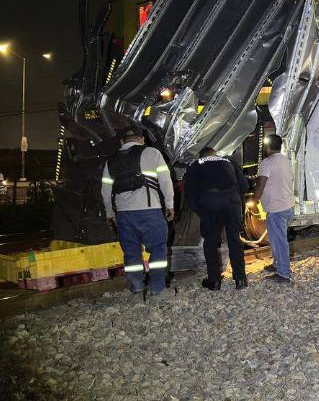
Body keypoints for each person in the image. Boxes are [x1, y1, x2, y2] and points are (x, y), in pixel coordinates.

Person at [101, 125, 174, 299]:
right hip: (151, 211)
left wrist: (110, 214)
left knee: (131, 252)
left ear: (121, 142)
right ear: (142, 139)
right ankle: (158, 289)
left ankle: (136, 290)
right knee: (157, 249)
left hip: (125, 215)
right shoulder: (152, 153)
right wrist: (170, 204)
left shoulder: (110, 161)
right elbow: (165, 181)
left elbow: (105, 191)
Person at [184, 146, 249, 290]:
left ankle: (214, 281)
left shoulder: (196, 165)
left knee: (210, 242)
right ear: (215, 154)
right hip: (232, 203)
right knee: (234, 239)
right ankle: (240, 279)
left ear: (201, 156)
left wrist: (200, 210)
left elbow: (189, 193)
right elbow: (244, 186)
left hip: (209, 203)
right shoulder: (229, 162)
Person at [252, 134, 294, 284]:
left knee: (279, 241)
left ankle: (284, 273)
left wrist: (254, 199)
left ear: (267, 147)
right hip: (287, 206)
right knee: (277, 240)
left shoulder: (267, 162)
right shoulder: (286, 161)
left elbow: (261, 184)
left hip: (277, 209)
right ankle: (277, 265)